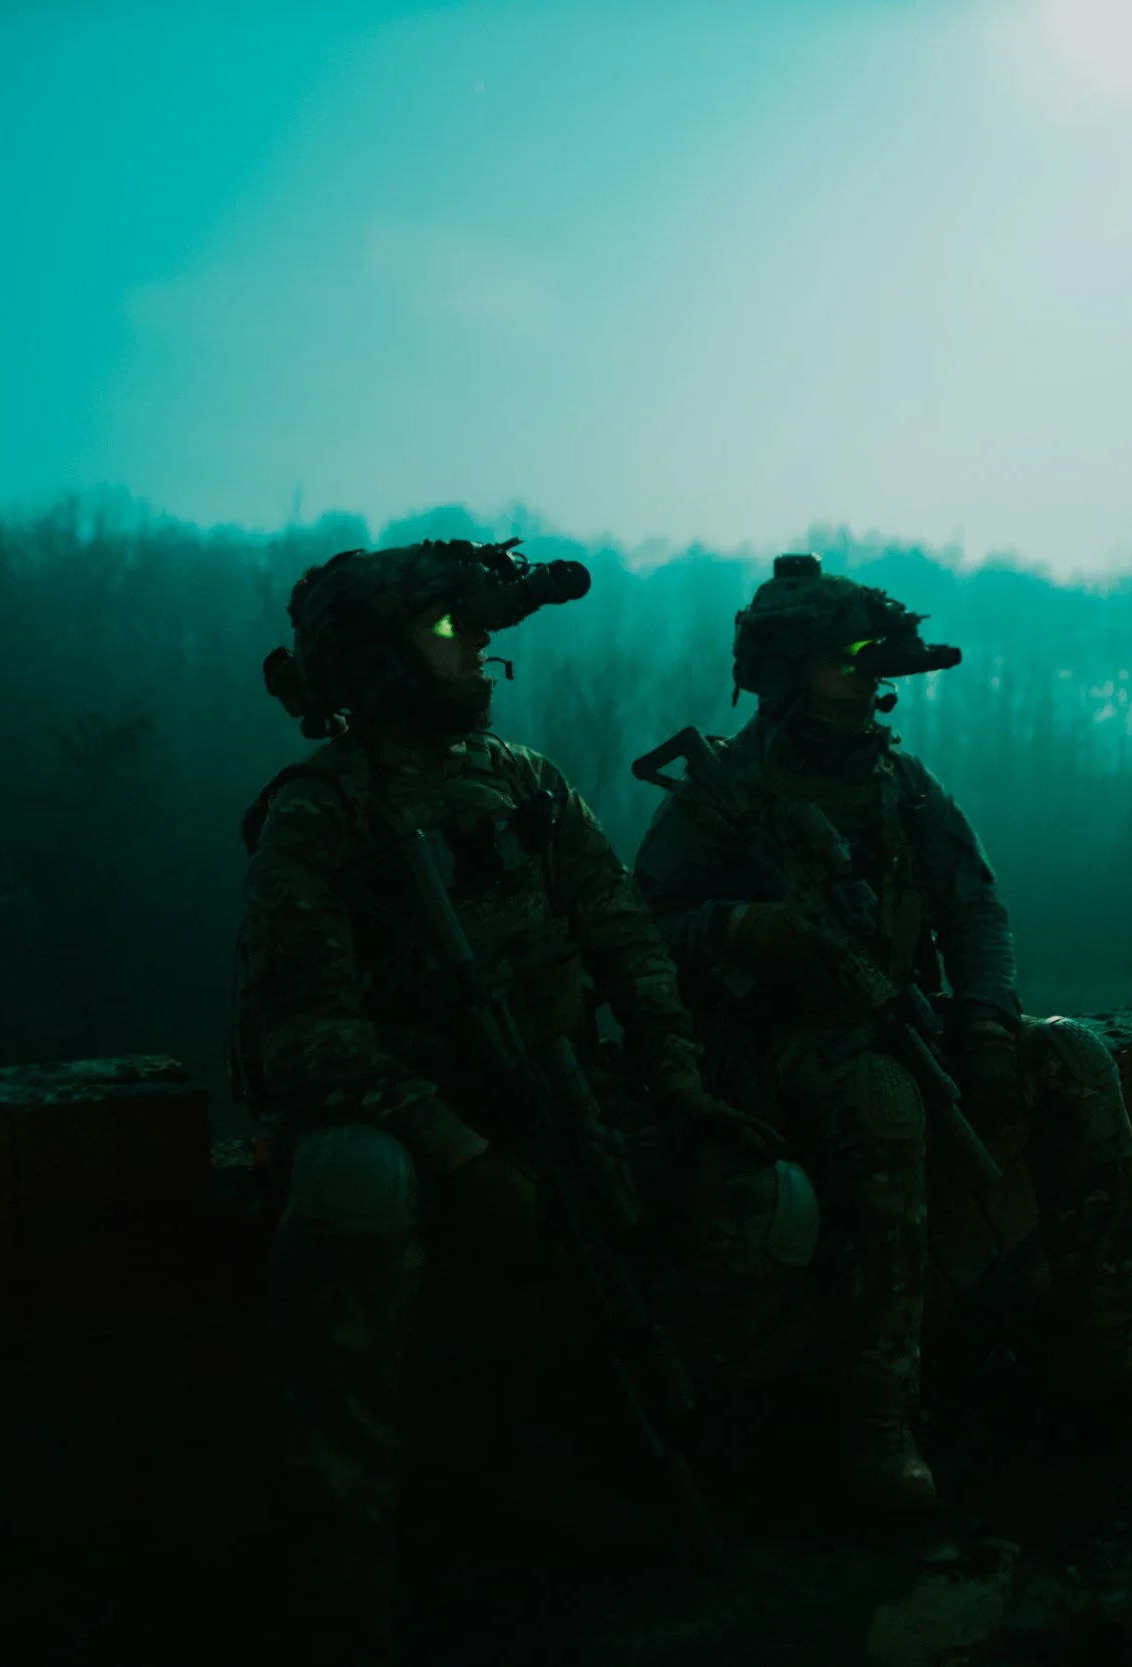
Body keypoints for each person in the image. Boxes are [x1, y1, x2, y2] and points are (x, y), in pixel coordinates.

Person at [234, 538, 813, 1663]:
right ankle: (346, 1572)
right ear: (375, 658)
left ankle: (577, 1468)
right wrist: (455, 1147)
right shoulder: (320, 812)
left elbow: (627, 941)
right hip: (411, 1123)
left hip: (552, 1100)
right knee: (356, 1185)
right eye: (450, 632)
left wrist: (681, 1090)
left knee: (762, 1197)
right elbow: (298, 1033)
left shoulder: (527, 783)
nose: (479, 647)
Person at [630, 554, 1132, 1513]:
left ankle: (1104, 1341)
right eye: (847, 663)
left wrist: (986, 1026)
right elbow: (638, 931)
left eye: (876, 665)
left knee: (1073, 1055)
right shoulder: (722, 791)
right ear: (789, 671)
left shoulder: (901, 783)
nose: (871, 681)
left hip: (894, 1018)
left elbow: (976, 912)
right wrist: (739, 929)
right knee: (880, 1101)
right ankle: (874, 1412)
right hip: (771, 1054)